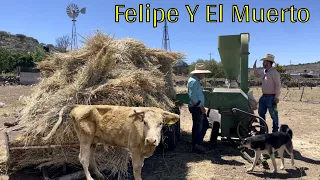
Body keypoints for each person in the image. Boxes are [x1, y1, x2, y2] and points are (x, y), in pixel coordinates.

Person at [253, 54, 281, 133]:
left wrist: (277, 97)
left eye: (264, 61)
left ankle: (275, 132)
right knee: (261, 114)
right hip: (264, 97)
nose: (263, 63)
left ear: (268, 62)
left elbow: (278, 85)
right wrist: (254, 68)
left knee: (274, 116)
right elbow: (257, 75)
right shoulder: (264, 72)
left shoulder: (274, 73)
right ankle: (263, 130)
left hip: (271, 97)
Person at [187, 63, 211, 153]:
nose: (204, 75)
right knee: (199, 126)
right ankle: (196, 145)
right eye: (203, 73)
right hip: (196, 107)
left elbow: (196, 92)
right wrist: (200, 106)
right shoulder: (193, 81)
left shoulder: (195, 80)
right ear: (199, 73)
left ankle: (197, 143)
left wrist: (203, 91)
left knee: (203, 125)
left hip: (197, 106)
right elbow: (192, 96)